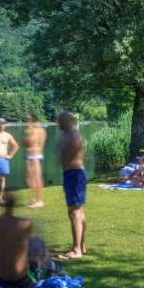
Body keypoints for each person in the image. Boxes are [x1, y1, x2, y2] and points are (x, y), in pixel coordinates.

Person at [0, 190, 36, 288]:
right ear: (16, 203)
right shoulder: (26, 224)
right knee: (36, 243)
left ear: (1, 202)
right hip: (21, 281)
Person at [56, 111, 87, 259]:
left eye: (60, 121)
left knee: (74, 212)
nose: (58, 123)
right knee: (77, 211)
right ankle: (81, 245)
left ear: (68, 121)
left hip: (74, 174)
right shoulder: (67, 135)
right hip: (71, 174)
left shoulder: (73, 136)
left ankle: (76, 250)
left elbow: (73, 154)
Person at [23, 114, 47, 208]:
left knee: (36, 178)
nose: (27, 122)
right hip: (30, 155)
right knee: (29, 178)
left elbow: (35, 141)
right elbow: (27, 141)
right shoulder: (32, 129)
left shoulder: (38, 129)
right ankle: (34, 198)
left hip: (35, 155)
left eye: (28, 119)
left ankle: (40, 200)